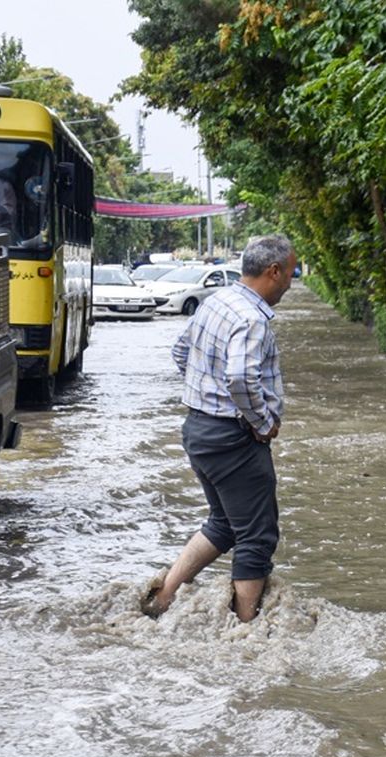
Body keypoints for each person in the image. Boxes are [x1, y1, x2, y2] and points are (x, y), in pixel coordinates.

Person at [143, 234, 297, 623]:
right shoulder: (251, 318)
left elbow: (181, 351)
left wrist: (205, 391)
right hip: (233, 438)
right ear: (273, 271)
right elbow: (241, 379)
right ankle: (245, 628)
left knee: (224, 523)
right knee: (258, 537)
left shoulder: (217, 302)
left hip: (198, 430)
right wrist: (261, 423)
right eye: (291, 273)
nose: (291, 283)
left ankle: (162, 598)